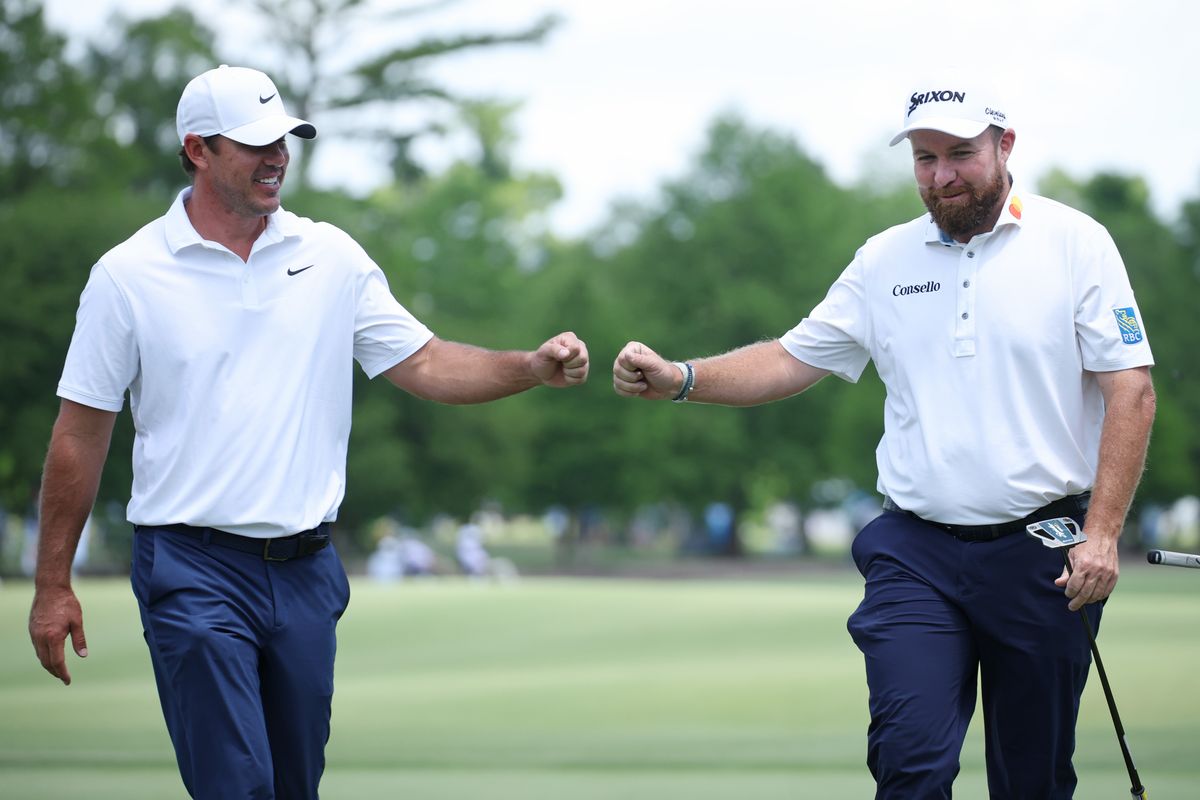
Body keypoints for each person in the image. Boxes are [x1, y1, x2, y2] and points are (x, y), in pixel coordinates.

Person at [28, 65, 589, 800]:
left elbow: (424, 362)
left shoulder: (332, 257)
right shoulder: (127, 275)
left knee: (293, 787)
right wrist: (51, 583)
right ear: (198, 150)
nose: (278, 156)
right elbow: (80, 433)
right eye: (256, 142)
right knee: (239, 789)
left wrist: (530, 367)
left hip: (305, 573)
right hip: (191, 569)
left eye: (286, 139)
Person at [612, 82, 1156, 798]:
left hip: (1044, 552)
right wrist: (681, 377)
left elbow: (1132, 390)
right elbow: (788, 357)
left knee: (1032, 778)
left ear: (1005, 147)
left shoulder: (1076, 243)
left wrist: (1104, 533)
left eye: (960, 154)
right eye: (925, 159)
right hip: (917, 552)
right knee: (909, 760)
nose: (941, 175)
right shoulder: (883, 259)